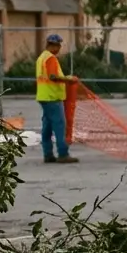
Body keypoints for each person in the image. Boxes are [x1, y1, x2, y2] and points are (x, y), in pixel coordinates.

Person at [36, 34, 79, 164]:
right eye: (58, 46)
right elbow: (53, 77)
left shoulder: (41, 58)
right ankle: (63, 153)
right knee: (60, 125)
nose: (59, 48)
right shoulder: (50, 58)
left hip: (44, 96)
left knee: (47, 127)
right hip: (52, 97)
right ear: (53, 45)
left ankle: (48, 154)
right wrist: (69, 79)